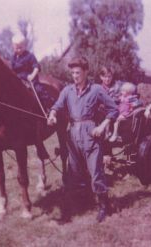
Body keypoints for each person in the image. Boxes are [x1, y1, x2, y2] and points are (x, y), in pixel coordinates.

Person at [47, 56, 119, 222]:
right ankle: (84, 201)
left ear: (86, 72)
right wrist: (52, 115)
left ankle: (104, 205)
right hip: (72, 135)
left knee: (96, 173)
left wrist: (102, 126)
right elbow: (57, 106)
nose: (75, 76)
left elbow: (113, 109)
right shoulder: (67, 90)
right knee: (76, 173)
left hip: (91, 134)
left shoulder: (96, 90)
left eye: (78, 72)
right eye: (72, 73)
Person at [11, 34, 53, 110]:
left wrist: (32, 76)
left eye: (21, 47)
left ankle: (49, 108)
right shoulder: (13, 58)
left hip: (30, 80)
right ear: (13, 47)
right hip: (18, 80)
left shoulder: (29, 56)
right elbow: (12, 69)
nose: (19, 50)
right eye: (17, 48)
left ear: (25, 46)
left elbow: (36, 67)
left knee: (40, 90)